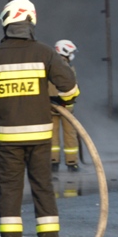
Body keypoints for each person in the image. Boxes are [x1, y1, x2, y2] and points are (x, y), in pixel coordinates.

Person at [0, 0, 79, 237]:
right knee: (43, 190)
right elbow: (69, 86)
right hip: (39, 136)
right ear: (30, 22)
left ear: (7, 23)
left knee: (9, 192)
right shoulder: (45, 52)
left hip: (7, 137)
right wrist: (63, 103)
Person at [50, 40, 80, 173]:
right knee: (70, 135)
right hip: (66, 105)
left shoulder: (49, 63)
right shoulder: (66, 67)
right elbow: (71, 86)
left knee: (52, 135)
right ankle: (72, 163)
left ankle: (53, 163)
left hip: (50, 105)